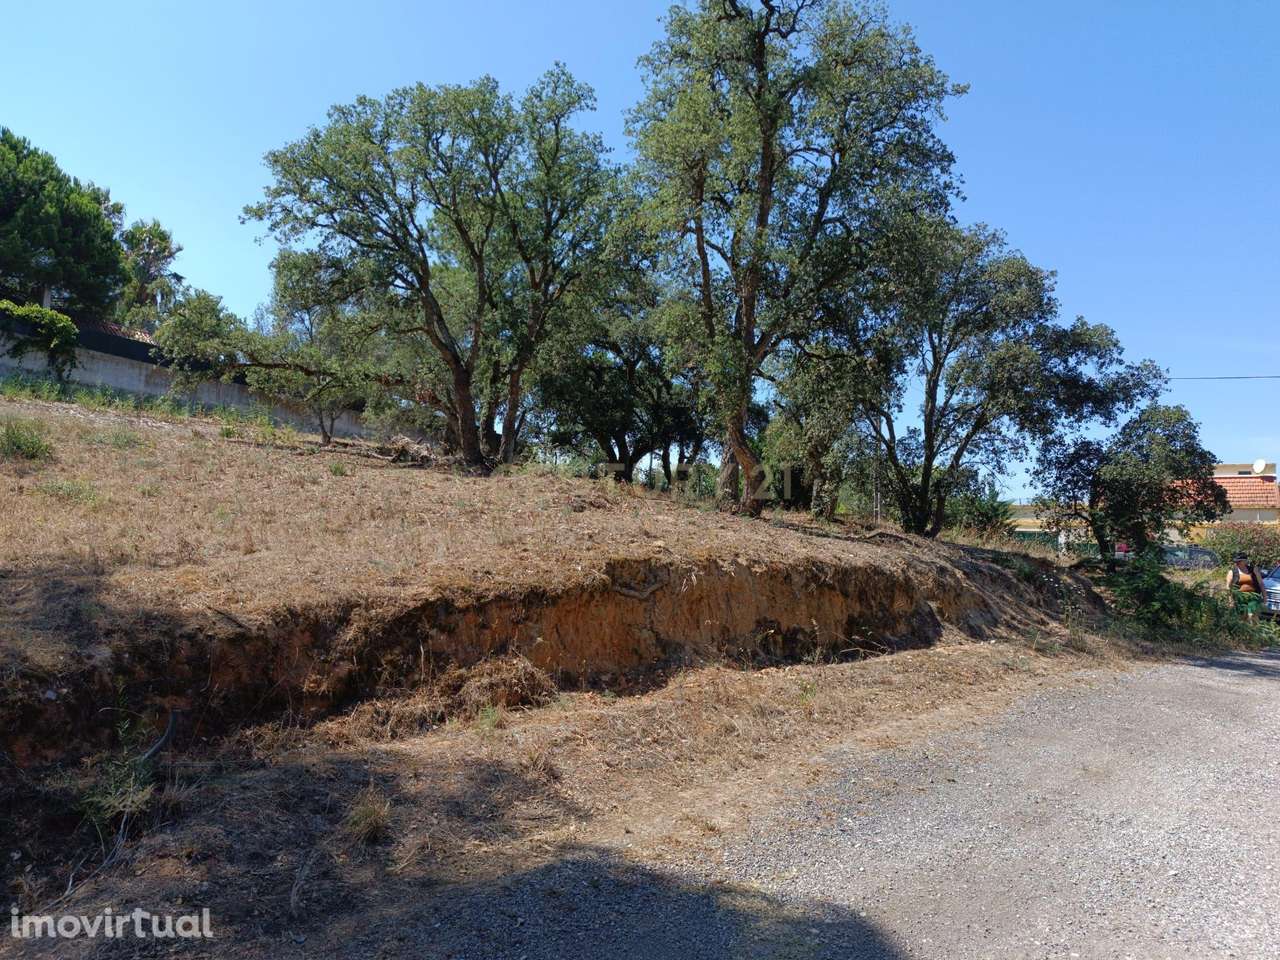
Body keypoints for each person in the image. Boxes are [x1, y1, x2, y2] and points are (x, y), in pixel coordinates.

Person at [1226, 552, 1265, 623]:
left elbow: (1261, 584)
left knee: (1252, 615)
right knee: (1242, 617)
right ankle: (1245, 632)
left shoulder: (1254, 570)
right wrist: (1230, 600)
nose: (1237, 563)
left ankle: (1255, 631)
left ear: (1245, 561)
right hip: (1240, 597)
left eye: (1239, 561)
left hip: (1253, 596)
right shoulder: (1232, 572)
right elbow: (1228, 588)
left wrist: (1265, 597)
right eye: (1236, 561)